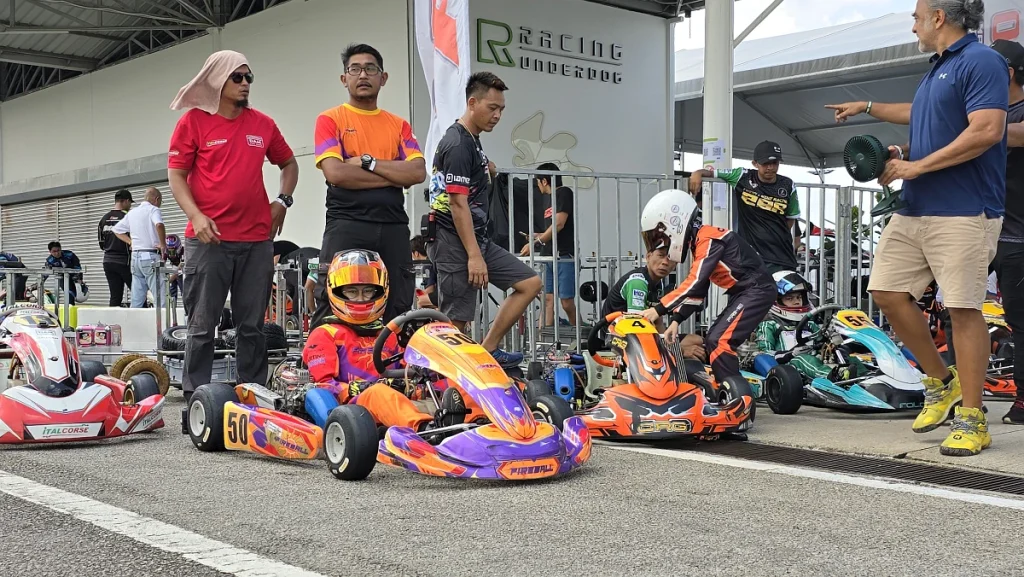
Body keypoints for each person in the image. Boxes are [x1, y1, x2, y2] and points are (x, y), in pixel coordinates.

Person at [824, 0, 1007, 456]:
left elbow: (986, 130)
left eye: (916, 16)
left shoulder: (982, 61)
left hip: (965, 210)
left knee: (963, 311)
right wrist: (887, 133)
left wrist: (919, 166)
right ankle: (941, 382)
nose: (913, 24)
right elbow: (921, 116)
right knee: (884, 292)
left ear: (939, 17)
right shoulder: (937, 70)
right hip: (916, 208)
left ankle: (972, 416)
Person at [168, 49, 299, 406]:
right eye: (237, 77)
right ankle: (198, 399)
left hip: (257, 241)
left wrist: (282, 202)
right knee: (201, 325)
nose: (245, 84)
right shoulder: (193, 122)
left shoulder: (263, 124)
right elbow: (176, 176)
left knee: (253, 326)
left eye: (248, 78)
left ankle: (253, 396)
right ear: (216, 81)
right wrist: (195, 215)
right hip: (209, 241)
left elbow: (289, 165)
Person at [427, 72, 542, 367]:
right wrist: (474, 257)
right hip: (455, 242)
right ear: (472, 102)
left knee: (530, 282)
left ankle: (487, 349)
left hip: (478, 239)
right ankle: (445, 385)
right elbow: (456, 203)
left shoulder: (472, 141)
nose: (498, 115)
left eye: (501, 109)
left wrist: (487, 171)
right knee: (457, 321)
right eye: (492, 108)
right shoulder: (457, 143)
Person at [312, 43, 426, 328]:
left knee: (399, 302)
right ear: (344, 78)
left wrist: (366, 162)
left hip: (393, 225)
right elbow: (336, 173)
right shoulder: (330, 119)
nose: (363, 75)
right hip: (346, 222)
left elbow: (417, 172)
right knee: (334, 298)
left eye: (370, 69)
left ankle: (394, 367)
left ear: (383, 77)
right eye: (355, 69)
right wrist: (392, 174)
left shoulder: (399, 125)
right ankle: (321, 369)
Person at [301, 249, 463, 435]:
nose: (361, 298)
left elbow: (411, 369)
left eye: (368, 291)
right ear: (336, 291)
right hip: (355, 410)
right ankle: (426, 430)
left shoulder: (391, 332)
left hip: (397, 398)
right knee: (378, 393)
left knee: (455, 383)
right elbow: (323, 385)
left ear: (380, 290)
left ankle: (478, 421)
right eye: (352, 292)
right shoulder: (325, 334)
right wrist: (358, 388)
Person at [638, 189, 775, 383]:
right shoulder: (701, 243)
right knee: (713, 339)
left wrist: (658, 310)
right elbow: (699, 291)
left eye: (663, 238)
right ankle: (728, 388)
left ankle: (734, 397)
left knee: (720, 342)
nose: (665, 244)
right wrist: (676, 320)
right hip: (747, 291)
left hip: (756, 289)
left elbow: (694, 282)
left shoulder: (708, 239)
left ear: (674, 224)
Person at [687, 141, 801, 274]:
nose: (770, 167)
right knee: (754, 293)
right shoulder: (742, 176)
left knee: (783, 294)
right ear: (755, 163)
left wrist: (774, 233)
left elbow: (791, 218)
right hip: (752, 256)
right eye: (765, 163)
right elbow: (712, 173)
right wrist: (698, 173)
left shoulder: (788, 184)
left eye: (775, 163)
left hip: (782, 255)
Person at [990, 38, 1024, 425]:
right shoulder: (988, 111)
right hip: (980, 229)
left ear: (1009, 73)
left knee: (1020, 320)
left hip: (1016, 238)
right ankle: (960, 391)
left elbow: (1013, 135)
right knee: (954, 307)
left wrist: (978, 128)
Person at [752, 270, 868, 381]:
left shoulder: (810, 324)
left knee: (851, 358)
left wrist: (833, 347)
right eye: (789, 298)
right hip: (789, 368)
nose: (797, 302)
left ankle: (867, 378)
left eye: (799, 297)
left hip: (816, 361)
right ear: (775, 301)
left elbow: (823, 343)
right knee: (803, 359)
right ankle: (833, 376)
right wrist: (790, 354)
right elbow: (764, 354)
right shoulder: (769, 325)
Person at [601, 245, 706, 361]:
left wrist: (673, 346)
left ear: (675, 265)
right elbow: (637, 330)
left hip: (638, 336)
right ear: (648, 256)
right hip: (616, 342)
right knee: (692, 355)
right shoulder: (638, 282)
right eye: (660, 255)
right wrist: (680, 350)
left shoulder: (658, 284)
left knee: (696, 341)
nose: (665, 262)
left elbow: (658, 324)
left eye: (670, 258)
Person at [521, 162, 577, 327]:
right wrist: (537, 236)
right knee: (547, 299)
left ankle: (580, 338)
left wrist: (536, 242)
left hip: (563, 255)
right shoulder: (548, 200)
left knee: (566, 302)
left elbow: (559, 224)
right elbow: (552, 229)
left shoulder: (564, 193)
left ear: (544, 181)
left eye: (538, 181)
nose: (537, 186)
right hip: (548, 255)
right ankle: (541, 342)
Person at [113, 186, 167, 308]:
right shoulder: (153, 210)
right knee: (160, 296)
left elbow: (116, 230)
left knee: (137, 298)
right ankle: (163, 325)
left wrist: (130, 242)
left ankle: (133, 325)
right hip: (150, 256)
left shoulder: (133, 212)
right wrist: (163, 245)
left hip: (135, 257)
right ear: (157, 199)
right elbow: (159, 224)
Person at [97, 189, 133, 306]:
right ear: (126, 201)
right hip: (125, 261)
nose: (130, 205)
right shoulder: (128, 217)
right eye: (130, 203)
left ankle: (112, 323)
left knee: (115, 296)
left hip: (108, 261)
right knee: (138, 293)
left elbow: (101, 244)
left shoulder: (104, 218)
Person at [410, 235, 437, 309]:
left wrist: (418, 294)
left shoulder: (426, 266)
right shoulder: (432, 260)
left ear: (416, 253)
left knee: (419, 301)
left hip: (438, 296)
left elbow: (430, 290)